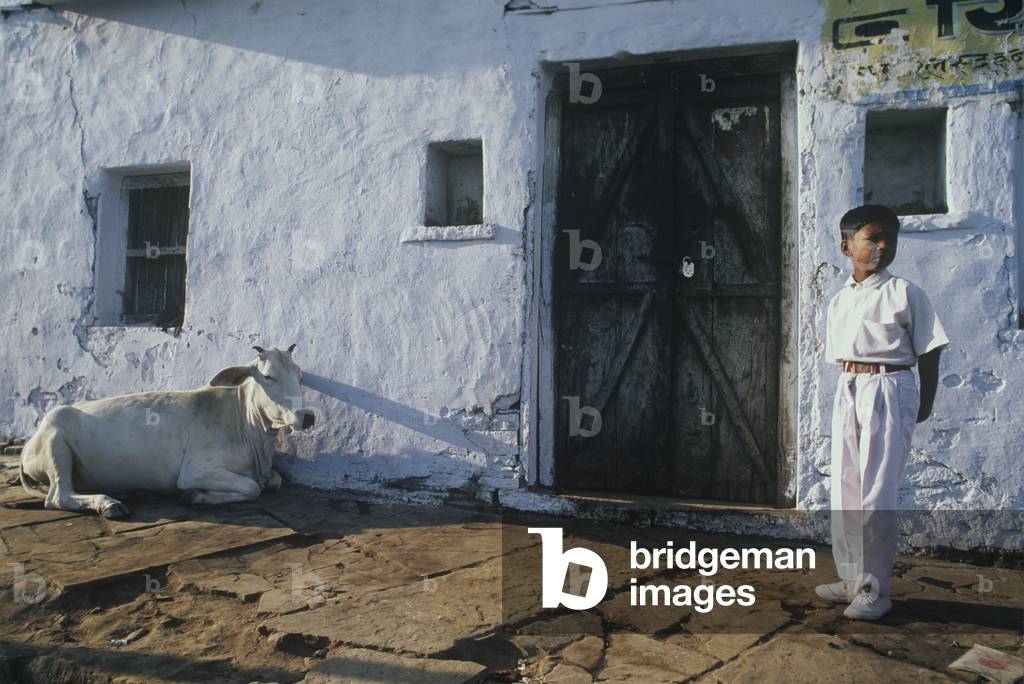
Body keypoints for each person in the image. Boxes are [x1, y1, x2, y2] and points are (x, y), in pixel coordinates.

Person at [815, 204, 949, 621]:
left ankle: (876, 589)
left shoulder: (905, 293)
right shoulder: (839, 301)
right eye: (873, 237)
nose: (884, 245)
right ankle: (852, 578)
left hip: (890, 388)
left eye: (890, 237)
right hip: (851, 387)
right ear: (846, 246)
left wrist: (924, 404)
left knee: (876, 494)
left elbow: (930, 350)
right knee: (847, 489)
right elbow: (842, 355)